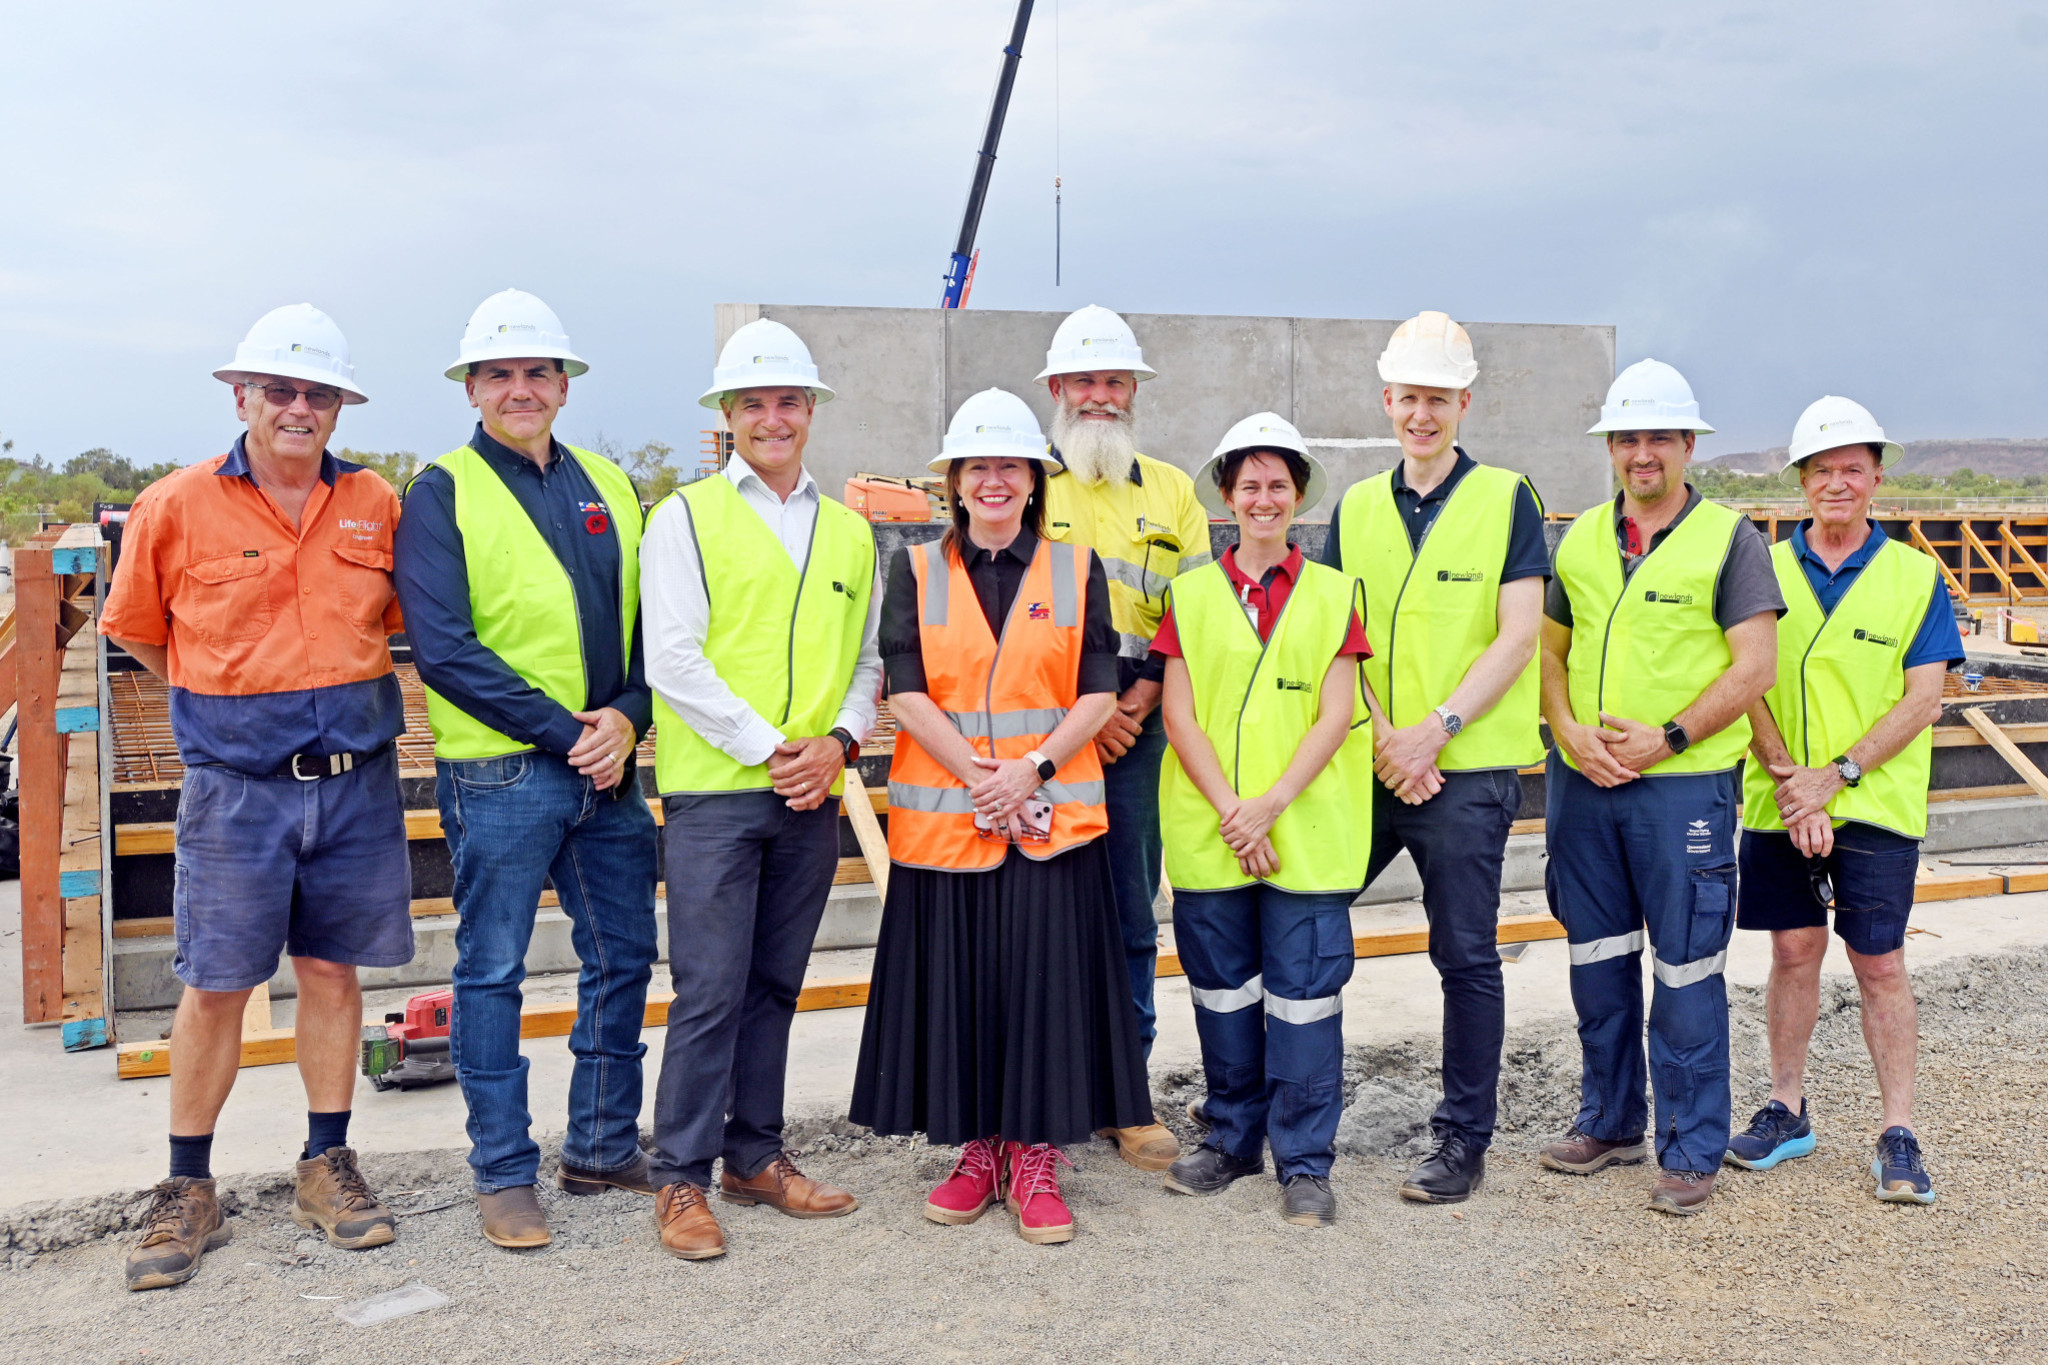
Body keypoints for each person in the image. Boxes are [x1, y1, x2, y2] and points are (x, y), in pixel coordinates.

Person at [103, 305, 411, 1289]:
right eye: (279, 389)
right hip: (236, 794)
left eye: (316, 393)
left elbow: (401, 623)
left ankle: (327, 1164)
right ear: (241, 396)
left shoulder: (373, 503)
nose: (297, 407)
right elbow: (139, 631)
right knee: (218, 984)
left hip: (355, 786)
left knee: (330, 974)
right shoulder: (176, 505)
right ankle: (188, 1185)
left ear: (336, 408)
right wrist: (223, 703)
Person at [851, 388, 1153, 1246]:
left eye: (1008, 465)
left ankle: (1036, 1156)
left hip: (1049, 823)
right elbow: (902, 688)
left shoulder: (1076, 568)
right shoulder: (912, 569)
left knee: (1043, 995)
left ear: (1034, 479)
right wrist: (979, 776)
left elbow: (1099, 691)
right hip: (950, 824)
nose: (992, 480)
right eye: (976, 465)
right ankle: (979, 1150)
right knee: (967, 993)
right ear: (954, 480)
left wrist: (1030, 769)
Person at [393, 289, 659, 1249]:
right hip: (504, 774)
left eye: (536, 372)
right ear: (472, 387)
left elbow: (650, 631)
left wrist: (626, 719)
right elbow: (446, 648)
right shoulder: (442, 492)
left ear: (563, 385)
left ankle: (598, 1146)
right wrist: (569, 732)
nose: (520, 388)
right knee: (494, 971)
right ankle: (504, 1173)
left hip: (609, 770)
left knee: (624, 955)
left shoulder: (612, 488)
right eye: (500, 374)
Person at [637, 319, 879, 1260]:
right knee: (708, 990)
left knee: (776, 984)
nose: (771, 417)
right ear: (726, 417)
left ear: (810, 411)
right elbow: (675, 659)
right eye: (752, 404)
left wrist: (842, 744)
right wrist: (778, 745)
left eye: (787, 401)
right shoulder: (685, 518)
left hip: (810, 795)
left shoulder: (851, 533)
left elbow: (864, 661)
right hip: (716, 798)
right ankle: (680, 1180)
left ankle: (755, 1156)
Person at [1539, 359, 1783, 1216]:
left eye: (1658, 438)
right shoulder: (1576, 539)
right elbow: (1551, 654)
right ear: (1611, 447)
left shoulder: (1730, 539)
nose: (1642, 453)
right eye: (1627, 438)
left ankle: (1690, 1146)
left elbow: (1756, 665)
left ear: (1687, 445)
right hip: (1585, 787)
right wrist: (1566, 733)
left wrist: (1667, 737)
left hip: (1682, 791)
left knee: (1685, 969)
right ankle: (1609, 1120)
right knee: (1597, 960)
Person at [1323, 312, 1550, 1204]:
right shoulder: (1356, 508)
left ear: (1465, 401)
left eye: (1439, 399)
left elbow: (1519, 634)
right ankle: (1288, 1110)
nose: (1423, 414)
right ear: (1388, 401)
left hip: (1468, 766)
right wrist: (1386, 738)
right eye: (1409, 397)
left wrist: (1435, 732)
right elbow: (1339, 639)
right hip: (1373, 764)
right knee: (1305, 916)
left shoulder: (1506, 498)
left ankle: (1462, 1139)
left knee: (1465, 955)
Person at [1725, 396, 1962, 1204]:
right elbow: (1742, 679)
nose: (1837, 482)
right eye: (1822, 469)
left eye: (1851, 469)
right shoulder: (1761, 566)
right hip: (1780, 798)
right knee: (1792, 953)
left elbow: (1923, 697)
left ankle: (1899, 1130)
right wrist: (1795, 778)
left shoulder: (1913, 575)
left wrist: (1838, 776)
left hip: (1876, 803)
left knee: (1879, 962)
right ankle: (1788, 1107)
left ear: (1876, 479)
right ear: (1800, 480)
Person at [1155, 414, 1374, 1227]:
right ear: (1225, 497)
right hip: (1216, 831)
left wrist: (1269, 807)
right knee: (1223, 995)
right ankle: (1232, 1138)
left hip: (1305, 832)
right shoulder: (1189, 595)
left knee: (1306, 999)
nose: (1263, 498)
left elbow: (1335, 712)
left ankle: (1306, 1163)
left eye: (1278, 484)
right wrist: (1232, 813)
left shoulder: (1335, 593)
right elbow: (1179, 714)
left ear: (1300, 496)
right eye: (1248, 485)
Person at [1035, 303, 1205, 1172]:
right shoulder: (1026, 482)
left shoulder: (1174, 492)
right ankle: (1047, 1091)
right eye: (1084, 382)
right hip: (1044, 739)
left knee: (1133, 919)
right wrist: (1080, 720)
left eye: (1113, 381)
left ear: (1133, 389)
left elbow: (1191, 621)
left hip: (1134, 735)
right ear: (1057, 389)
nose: (1099, 395)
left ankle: (1125, 1097)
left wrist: (1129, 707)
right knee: (1043, 913)